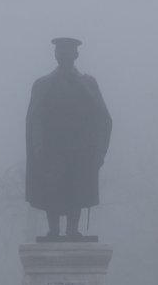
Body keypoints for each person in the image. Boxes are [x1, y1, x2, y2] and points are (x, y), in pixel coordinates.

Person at [25, 37, 112, 241]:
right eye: (60, 52)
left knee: (78, 186)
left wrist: (100, 151)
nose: (63, 56)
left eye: (67, 52)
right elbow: (35, 118)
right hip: (52, 148)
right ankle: (53, 230)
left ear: (76, 55)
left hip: (80, 148)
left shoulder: (88, 84)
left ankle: (73, 229)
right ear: (56, 55)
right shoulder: (43, 84)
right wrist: (38, 143)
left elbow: (103, 118)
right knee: (52, 186)